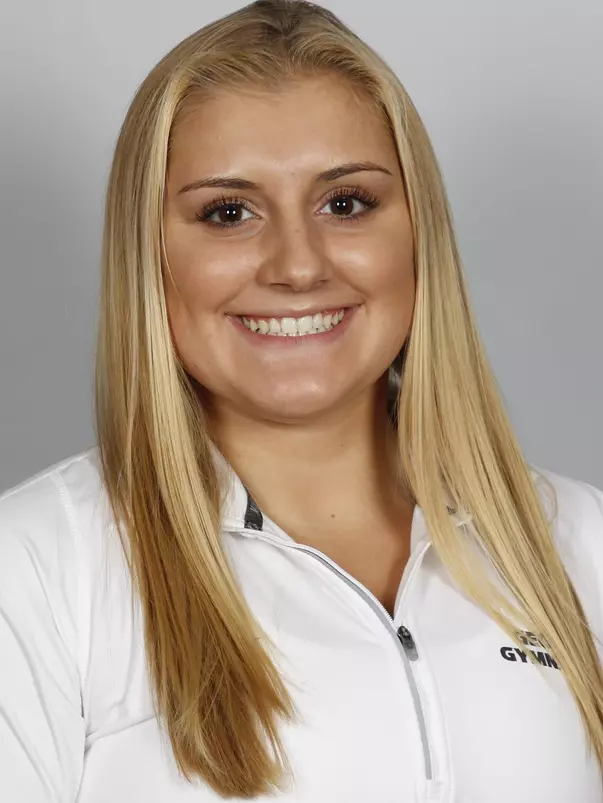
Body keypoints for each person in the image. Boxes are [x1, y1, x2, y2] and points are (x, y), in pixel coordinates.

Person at [0, 0, 602, 800]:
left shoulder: (579, 545)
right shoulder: (37, 568)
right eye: (228, 212)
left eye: (345, 203)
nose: (296, 264)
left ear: (417, 233)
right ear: (152, 256)